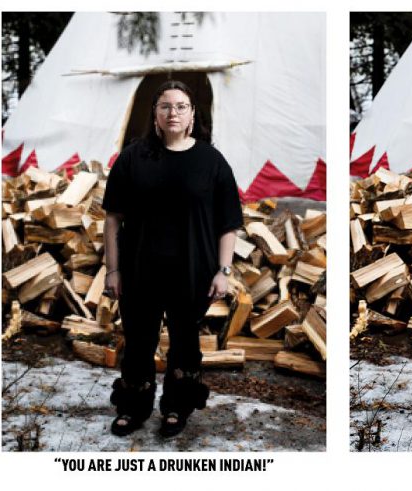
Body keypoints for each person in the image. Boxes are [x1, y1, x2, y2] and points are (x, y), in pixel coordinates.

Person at [102, 80, 243, 437]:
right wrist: (113, 270)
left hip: (192, 271)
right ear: (155, 114)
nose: (173, 113)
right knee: (138, 342)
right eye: (165, 106)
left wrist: (223, 271)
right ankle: (133, 408)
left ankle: (176, 409)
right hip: (138, 270)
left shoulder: (211, 161)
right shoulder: (133, 157)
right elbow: (112, 217)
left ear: (193, 115)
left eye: (181, 106)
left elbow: (229, 223)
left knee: (184, 343)